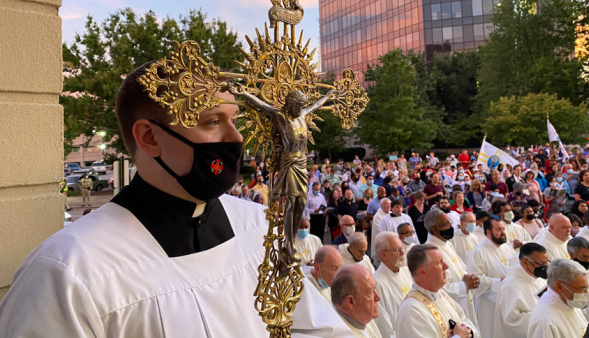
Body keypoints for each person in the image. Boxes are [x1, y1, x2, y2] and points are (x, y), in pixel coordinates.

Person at [0, 63, 351, 337]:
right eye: (212, 122)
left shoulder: (259, 225)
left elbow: (315, 328)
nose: (235, 137)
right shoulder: (68, 272)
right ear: (150, 137)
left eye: (234, 119)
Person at [395, 244, 479, 338]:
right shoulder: (411, 310)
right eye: (439, 262)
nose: (446, 266)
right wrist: (459, 336)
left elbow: (463, 319)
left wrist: (469, 332)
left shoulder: (441, 294)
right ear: (422, 272)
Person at [425, 209, 480, 326]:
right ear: (434, 229)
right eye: (446, 224)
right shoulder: (429, 251)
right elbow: (438, 289)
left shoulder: (447, 244)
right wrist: (464, 285)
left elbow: (460, 270)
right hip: (450, 309)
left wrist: (470, 278)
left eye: (450, 222)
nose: (451, 226)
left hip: (464, 301)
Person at [466, 217, 516, 338]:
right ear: (488, 232)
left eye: (503, 229)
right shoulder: (478, 251)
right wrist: (499, 282)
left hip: (508, 300)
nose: (503, 232)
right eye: (499, 229)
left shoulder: (508, 248)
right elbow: (475, 279)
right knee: (491, 332)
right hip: (489, 304)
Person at [492, 243, 548, 338]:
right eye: (541, 264)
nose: (545, 267)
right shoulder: (510, 285)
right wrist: (544, 317)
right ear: (525, 262)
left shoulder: (540, 280)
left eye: (546, 263)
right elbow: (512, 321)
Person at [527, 259, 589, 338]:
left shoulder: (569, 301)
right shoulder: (545, 322)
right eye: (581, 289)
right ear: (559, 286)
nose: (586, 293)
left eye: (587, 288)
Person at [372, 232, 413, 338]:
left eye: (402, 249)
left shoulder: (407, 272)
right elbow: (383, 326)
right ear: (383, 255)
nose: (402, 253)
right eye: (396, 250)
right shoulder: (376, 283)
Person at [331, 265, 383, 338]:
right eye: (370, 292)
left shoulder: (362, 318)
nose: (378, 297)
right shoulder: (341, 334)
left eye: (375, 288)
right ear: (351, 302)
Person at [567, 236, 589, 319]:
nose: (588, 261)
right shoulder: (565, 274)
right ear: (572, 255)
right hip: (576, 317)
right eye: (584, 257)